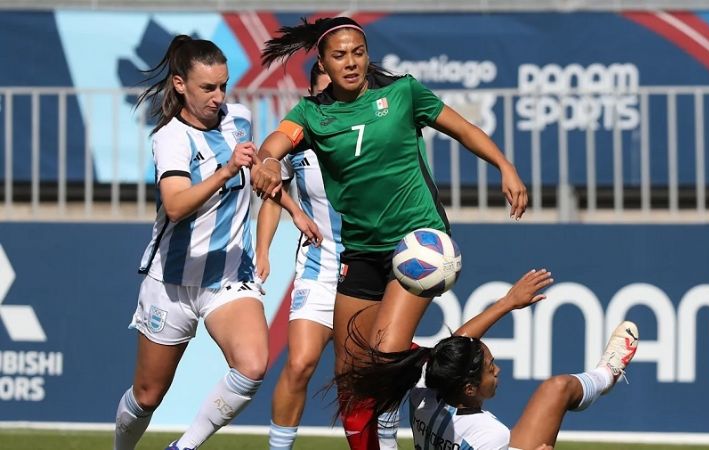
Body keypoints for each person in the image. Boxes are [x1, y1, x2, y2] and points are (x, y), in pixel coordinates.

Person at [250, 16, 529, 449]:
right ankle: (416, 382)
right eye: (339, 55)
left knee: (383, 356)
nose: (350, 62)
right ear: (322, 60)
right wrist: (268, 162)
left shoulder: (402, 93)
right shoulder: (312, 113)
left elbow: (465, 129)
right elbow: (276, 142)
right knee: (349, 372)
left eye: (358, 53)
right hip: (360, 251)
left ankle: (394, 417)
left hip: (417, 245)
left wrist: (505, 167)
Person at [114, 35, 269, 450]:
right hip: (173, 282)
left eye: (223, 86)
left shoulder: (240, 118)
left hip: (229, 276)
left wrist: (291, 205)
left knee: (253, 365)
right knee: (147, 396)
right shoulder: (170, 137)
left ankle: (183, 447)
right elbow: (177, 205)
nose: (219, 97)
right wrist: (223, 170)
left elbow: (263, 170)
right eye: (208, 88)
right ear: (180, 84)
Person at [256, 64, 400, 450]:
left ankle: (382, 443)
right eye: (326, 89)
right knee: (300, 363)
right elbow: (272, 190)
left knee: (367, 370)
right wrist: (263, 250)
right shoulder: (297, 134)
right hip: (319, 266)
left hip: (369, 262)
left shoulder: (372, 130)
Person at [337, 269, 640, 450]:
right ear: (469, 388)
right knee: (558, 389)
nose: (497, 370)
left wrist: (507, 302)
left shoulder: (424, 388)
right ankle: (608, 373)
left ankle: (607, 374)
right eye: (490, 367)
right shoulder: (488, 433)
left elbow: (456, 345)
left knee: (557, 387)